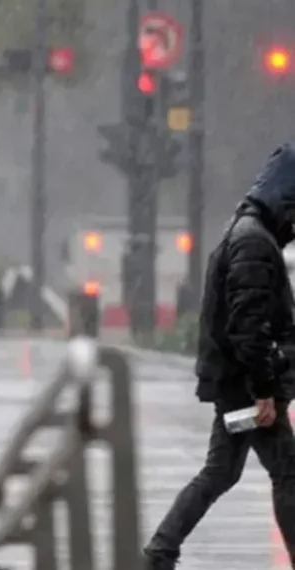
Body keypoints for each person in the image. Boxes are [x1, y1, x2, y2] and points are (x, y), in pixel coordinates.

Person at [144, 143, 295, 569]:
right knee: (287, 473)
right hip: (248, 384)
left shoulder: (244, 231)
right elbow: (249, 328)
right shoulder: (254, 244)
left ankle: (159, 552)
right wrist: (265, 390)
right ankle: (159, 551)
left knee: (220, 473)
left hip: (237, 381)